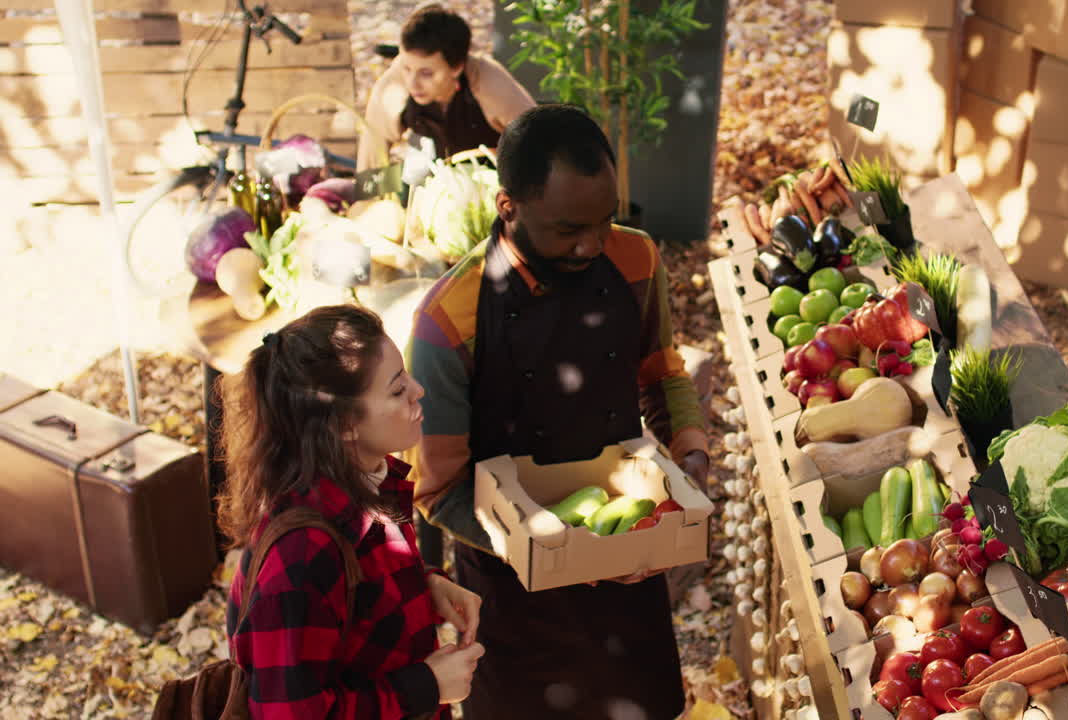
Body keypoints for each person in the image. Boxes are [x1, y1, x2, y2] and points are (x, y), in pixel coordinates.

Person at [404, 104, 711, 718]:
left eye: (605, 219)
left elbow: (661, 374)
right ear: (507, 206)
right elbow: (438, 492)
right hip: (512, 590)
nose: (592, 244)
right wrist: (558, 550)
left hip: (629, 553)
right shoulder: (446, 324)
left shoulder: (636, 260)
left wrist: (692, 453)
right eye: (569, 228)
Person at [216, 305, 486, 718]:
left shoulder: (366, 483)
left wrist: (424, 584)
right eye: (397, 390)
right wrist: (426, 686)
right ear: (342, 423)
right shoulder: (304, 553)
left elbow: (356, 599)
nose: (419, 391)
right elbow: (289, 713)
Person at [358, 4, 535, 170]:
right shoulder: (395, 83)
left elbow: (540, 141)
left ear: (457, 67)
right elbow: (373, 152)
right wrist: (370, 200)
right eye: (406, 68)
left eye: (426, 73)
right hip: (435, 180)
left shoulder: (490, 84)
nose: (412, 83)